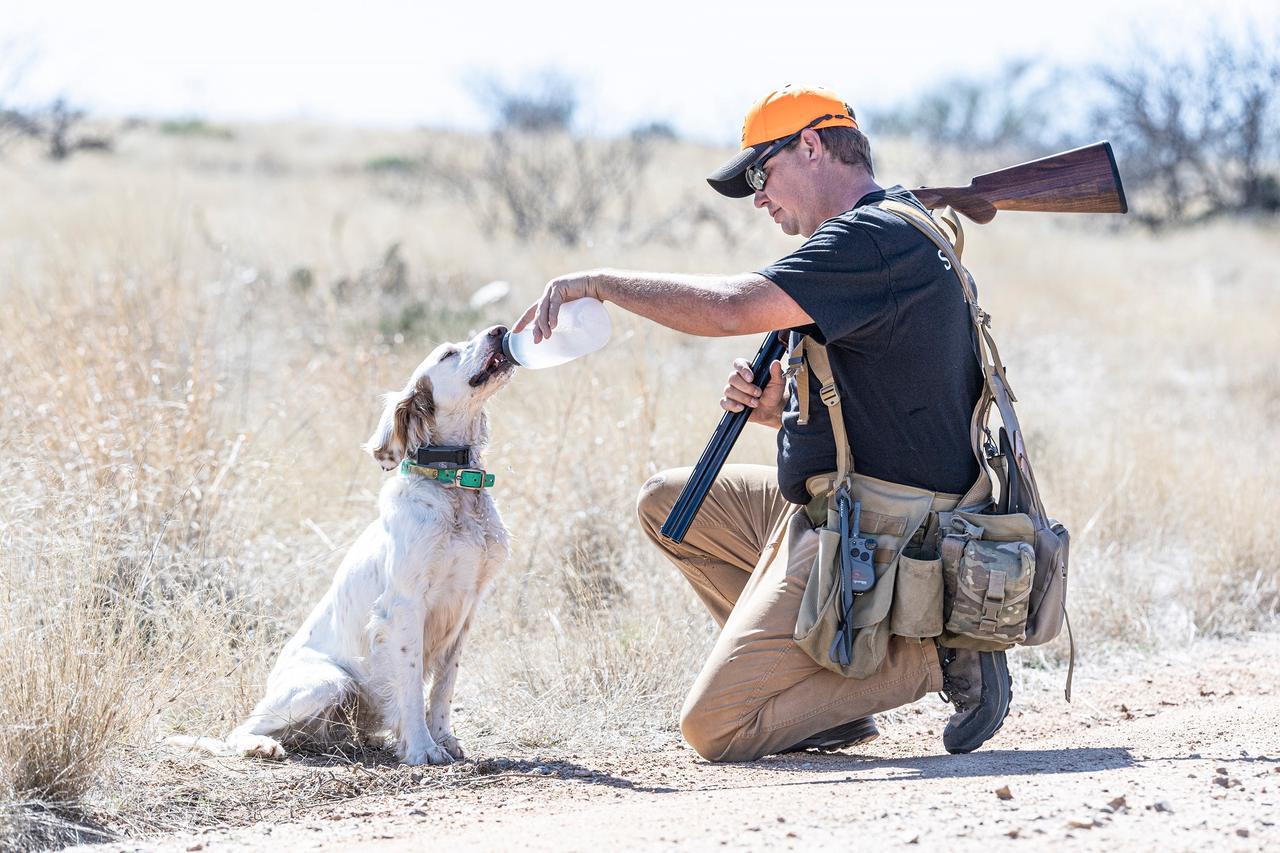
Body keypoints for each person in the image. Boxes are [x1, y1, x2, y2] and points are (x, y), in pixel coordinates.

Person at [512, 84, 1011, 763]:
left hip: (887, 533)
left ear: (812, 146)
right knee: (668, 503)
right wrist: (783, 416)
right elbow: (894, 408)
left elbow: (728, 308)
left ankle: (929, 655)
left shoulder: (870, 239)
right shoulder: (881, 233)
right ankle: (825, 707)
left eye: (761, 172)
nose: (758, 196)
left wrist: (599, 282)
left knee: (714, 730)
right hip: (842, 511)